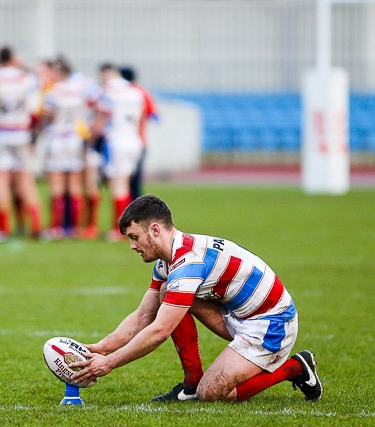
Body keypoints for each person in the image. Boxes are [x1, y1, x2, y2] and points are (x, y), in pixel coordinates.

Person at [71, 194, 323, 403]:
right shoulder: (168, 261)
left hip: (272, 323)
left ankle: (295, 367)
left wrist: (109, 364)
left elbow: (159, 330)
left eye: (134, 237)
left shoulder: (187, 265)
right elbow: (143, 316)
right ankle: (191, 383)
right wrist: (98, 349)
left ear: (155, 230)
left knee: (212, 393)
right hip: (238, 315)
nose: (132, 246)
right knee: (165, 294)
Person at [0, 46, 42, 243]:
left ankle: (4, 229)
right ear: (13, 59)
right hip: (20, 133)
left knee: (0, 181)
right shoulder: (26, 78)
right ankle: (37, 226)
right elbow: (34, 109)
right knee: (25, 181)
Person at [90, 63, 145, 242]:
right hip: (133, 139)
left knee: (117, 185)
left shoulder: (108, 93)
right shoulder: (135, 92)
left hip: (116, 140)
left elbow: (101, 121)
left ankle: (120, 228)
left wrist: (90, 138)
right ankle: (130, 226)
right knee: (126, 183)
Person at [39, 57, 90, 239]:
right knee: (75, 184)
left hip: (57, 139)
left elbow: (47, 115)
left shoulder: (53, 92)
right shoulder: (78, 91)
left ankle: (56, 227)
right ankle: (75, 227)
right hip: (74, 139)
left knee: (57, 184)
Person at [119, 66, 159, 200]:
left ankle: (126, 212)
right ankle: (137, 213)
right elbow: (155, 115)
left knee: (120, 180)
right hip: (139, 141)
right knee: (135, 180)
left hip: (119, 141)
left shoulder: (118, 92)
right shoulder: (143, 93)